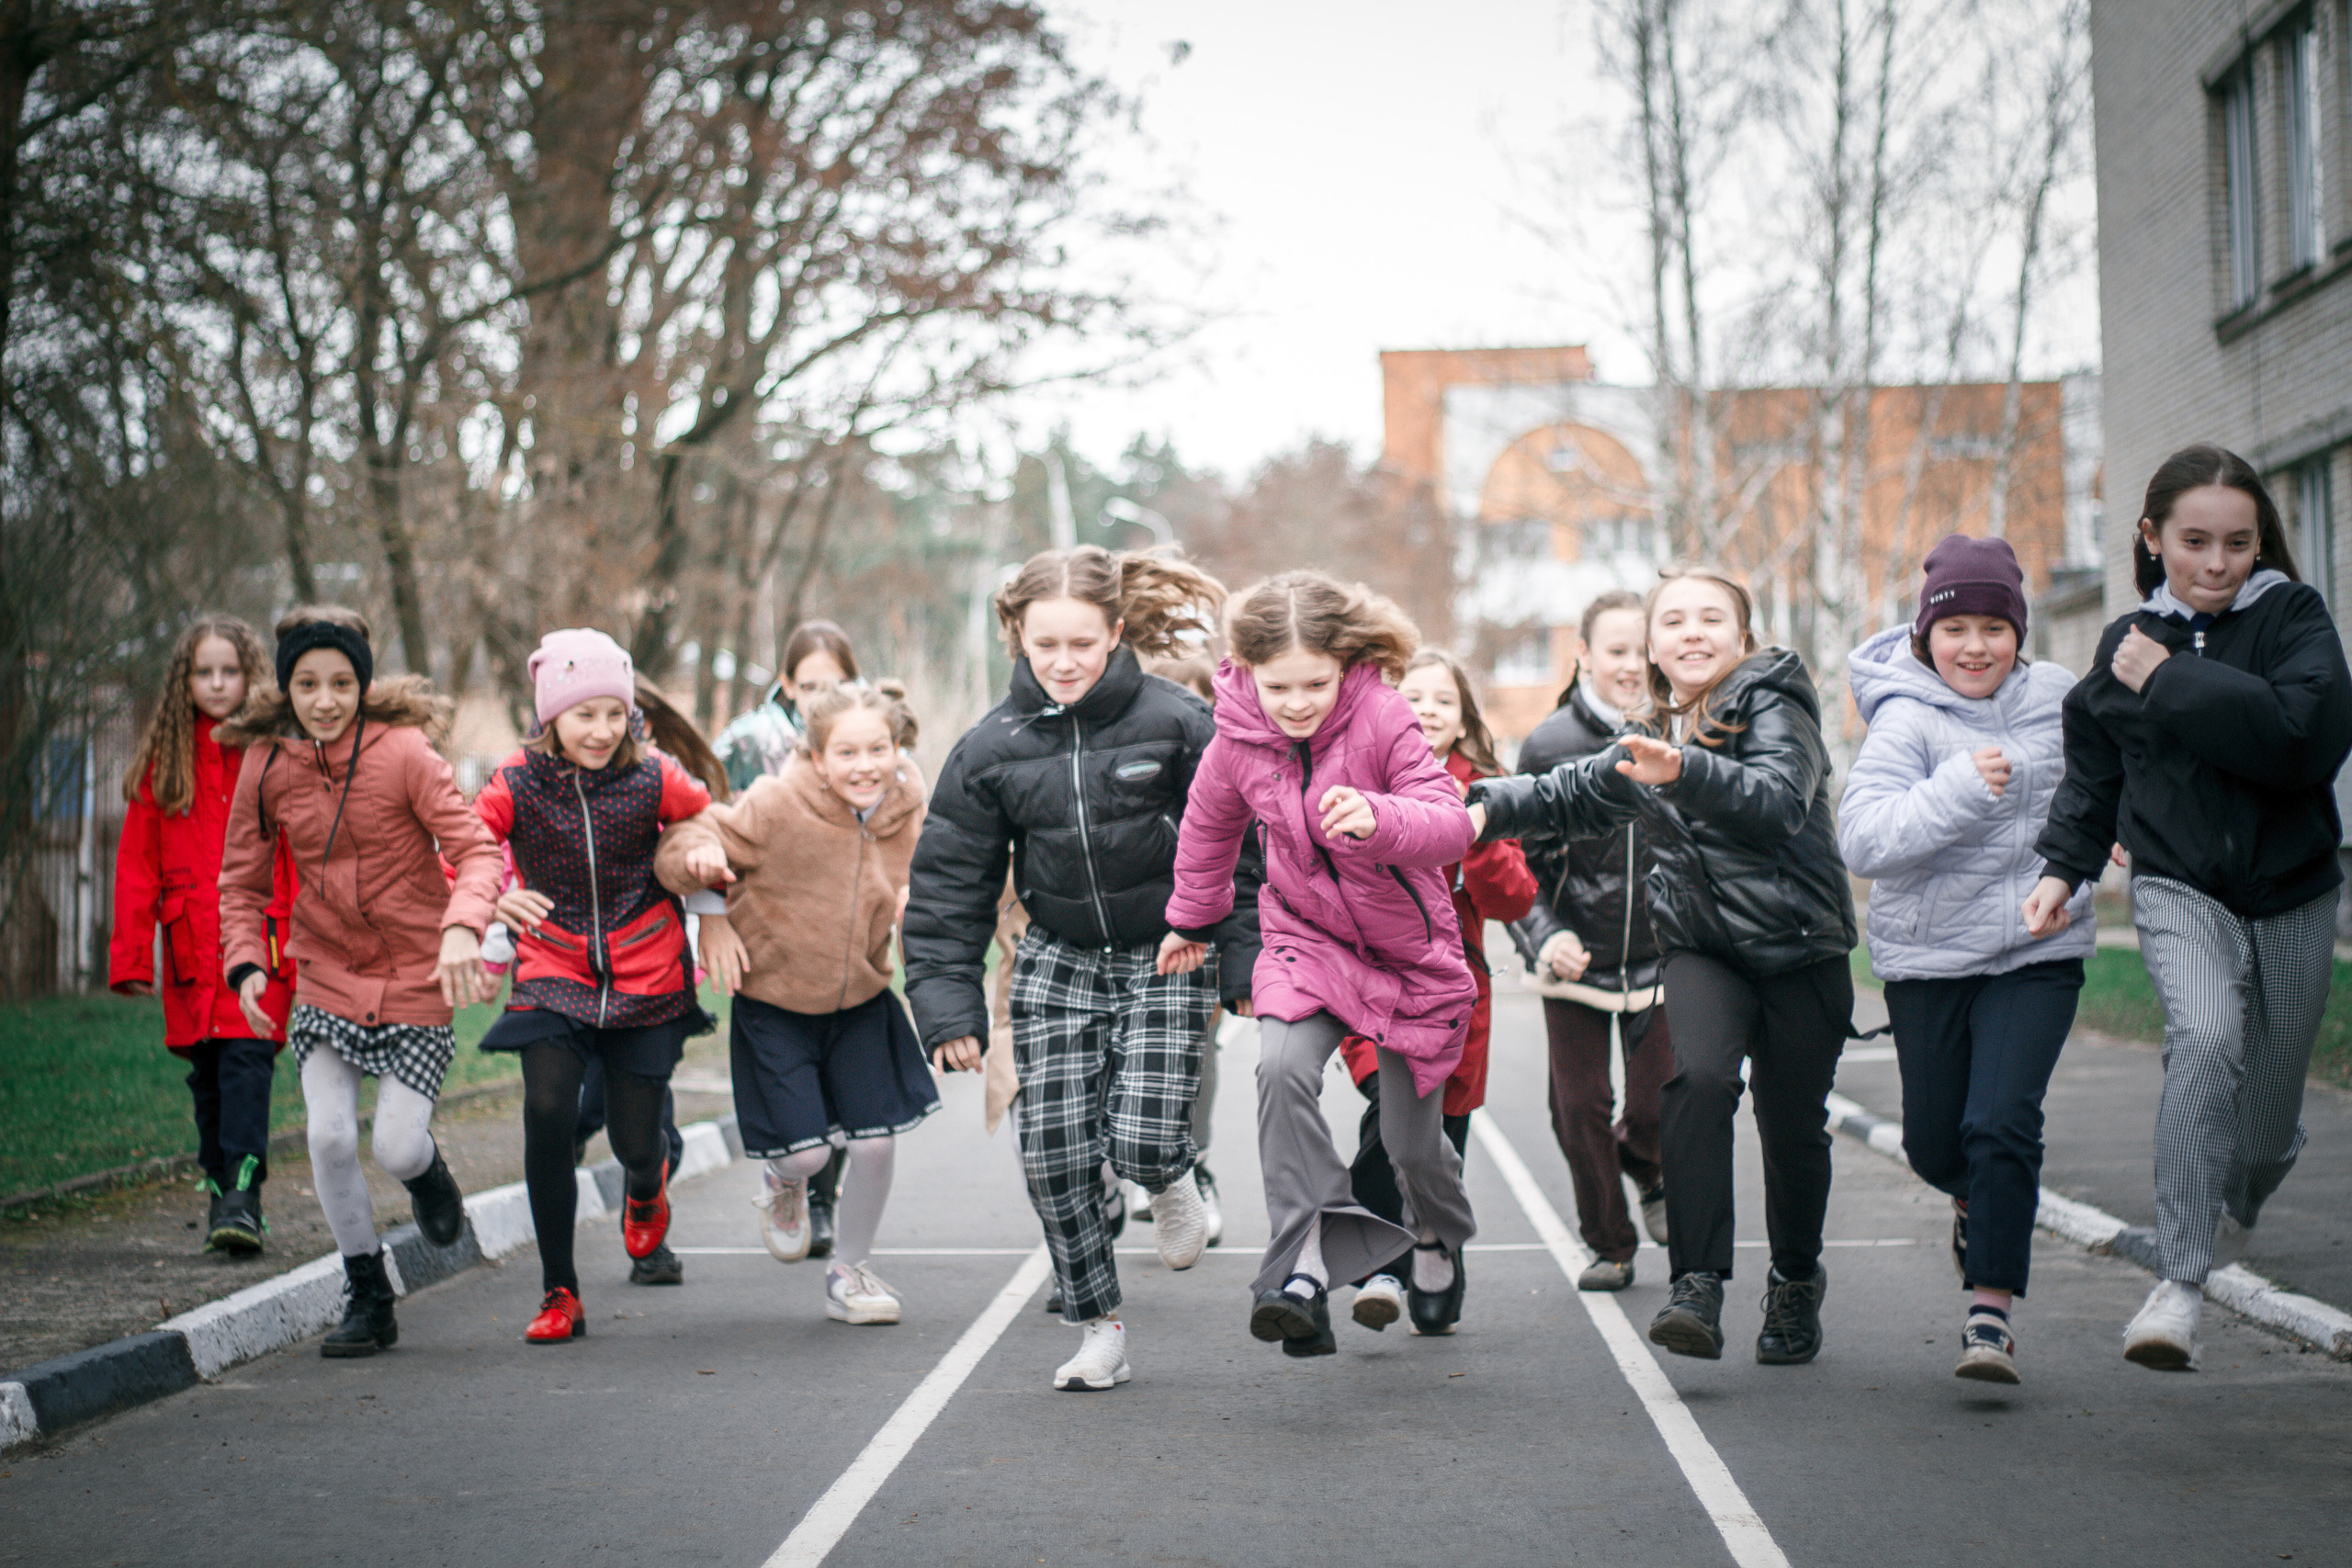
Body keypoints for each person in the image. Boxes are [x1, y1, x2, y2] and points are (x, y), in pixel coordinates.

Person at [1470, 569, 1859, 1366]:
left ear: (1742, 637)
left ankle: (1793, 1279)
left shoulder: (1777, 700)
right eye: (1673, 619)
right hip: (1704, 949)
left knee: (1791, 1133)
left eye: (1711, 618)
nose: (1691, 631)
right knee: (1698, 1082)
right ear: (1651, 644)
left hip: (1798, 950)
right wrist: (1475, 808)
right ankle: (1697, 1285)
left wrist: (1682, 770)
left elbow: (1779, 799)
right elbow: (1564, 793)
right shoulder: (1651, 732)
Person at [2029, 445, 2352, 1371]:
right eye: (2195, 542)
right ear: (2151, 537)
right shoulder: (2124, 638)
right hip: (2175, 886)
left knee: (2263, 1117)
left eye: (2238, 543)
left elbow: (2303, 741)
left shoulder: (2290, 615)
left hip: (2291, 890)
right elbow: (2094, 771)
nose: (2216, 565)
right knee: (2205, 1040)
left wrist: (2166, 679)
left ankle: (2252, 1166)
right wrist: (2064, 869)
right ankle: (2176, 1283)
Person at [904, 545, 1252, 1392]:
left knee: (1137, 1134)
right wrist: (947, 1002)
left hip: (1170, 947)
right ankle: (1097, 1324)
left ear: (1117, 634)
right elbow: (951, 879)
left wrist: (1240, 952)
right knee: (1052, 1153)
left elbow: (1246, 842)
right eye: (1044, 644)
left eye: (1082, 644)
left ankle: (1167, 1172)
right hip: (1055, 956)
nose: (1063, 662)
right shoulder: (989, 747)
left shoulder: (1177, 722)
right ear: (1017, 637)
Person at [1164, 571, 1480, 1359]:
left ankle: (1435, 1233)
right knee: (1277, 1067)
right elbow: (1207, 831)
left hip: (1408, 954)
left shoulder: (1381, 715)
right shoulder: (1236, 735)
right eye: (1279, 686)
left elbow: (1448, 823)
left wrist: (1380, 818)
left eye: (1315, 683)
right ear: (1245, 670)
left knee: (1411, 1145)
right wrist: (1191, 922)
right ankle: (1304, 1257)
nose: (1297, 702)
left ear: (1345, 664)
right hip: (1305, 942)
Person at [1841, 535, 2094, 1384]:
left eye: (1995, 626)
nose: (1977, 646)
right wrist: (1955, 788)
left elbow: (2108, 780)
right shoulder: (1905, 716)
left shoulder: (2060, 697)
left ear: (2019, 631)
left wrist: (2116, 831)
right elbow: (1865, 838)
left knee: (2002, 1123)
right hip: (1930, 958)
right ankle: (1966, 1196)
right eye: (1958, 629)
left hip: (2038, 946)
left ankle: (1990, 1313)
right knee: (1935, 1143)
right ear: (1926, 636)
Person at [217, 606, 503, 1359]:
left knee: (398, 1146)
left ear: (362, 683)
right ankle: (369, 1293)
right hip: (327, 975)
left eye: (341, 682)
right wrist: (245, 961)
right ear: (287, 688)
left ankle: (430, 1178)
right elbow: (240, 882)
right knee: (329, 1135)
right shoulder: (266, 763)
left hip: (415, 972)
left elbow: (476, 851)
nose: (325, 699)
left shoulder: (404, 752)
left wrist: (461, 927)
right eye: (307, 683)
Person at [472, 630, 721, 1344]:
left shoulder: (654, 775)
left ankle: (646, 1190)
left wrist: (702, 865)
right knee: (547, 1107)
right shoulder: (516, 779)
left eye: (615, 713)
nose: (603, 730)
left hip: (646, 970)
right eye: (585, 715)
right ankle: (560, 1291)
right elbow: (463, 840)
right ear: (552, 714)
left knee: (635, 1140)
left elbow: (704, 816)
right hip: (553, 963)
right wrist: (489, 899)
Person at [660, 682, 934, 1325]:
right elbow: (690, 836)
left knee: (873, 1146)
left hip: (862, 996)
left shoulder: (906, 811)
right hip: (776, 998)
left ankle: (851, 1271)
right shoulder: (776, 805)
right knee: (809, 1154)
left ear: (898, 749)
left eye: (879, 749)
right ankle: (784, 1181)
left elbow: (941, 876)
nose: (865, 765)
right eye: (847, 752)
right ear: (816, 757)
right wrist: (693, 858)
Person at [1339, 649, 1534, 1330]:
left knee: (1444, 1124)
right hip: (1370, 985)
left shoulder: (1485, 788)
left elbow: (1514, 897)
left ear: (1464, 719)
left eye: (1443, 701)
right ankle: (1383, 1265)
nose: (1426, 711)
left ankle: (1434, 1240)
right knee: (1386, 1115)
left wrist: (1470, 827)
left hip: (1456, 996)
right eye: (1412, 696)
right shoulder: (1353, 778)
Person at [110, 615, 299, 1255]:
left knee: (248, 1063)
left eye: (229, 670)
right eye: (204, 671)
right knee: (210, 1076)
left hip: (262, 946)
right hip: (191, 946)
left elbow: (299, 849)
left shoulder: (272, 751)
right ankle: (222, 1188)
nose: (218, 683)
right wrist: (132, 955)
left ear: (249, 675)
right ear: (184, 680)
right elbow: (137, 865)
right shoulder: (165, 764)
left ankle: (244, 1195)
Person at [1508, 590, 1675, 1292]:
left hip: (1664, 957)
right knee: (1577, 1108)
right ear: (1582, 655)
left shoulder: (1682, 734)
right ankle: (1609, 1243)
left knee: (1657, 1104)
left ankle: (1647, 1162)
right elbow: (1519, 863)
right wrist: (1546, 935)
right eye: (1616, 650)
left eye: (1642, 650)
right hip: (1575, 957)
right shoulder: (1549, 744)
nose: (1631, 665)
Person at [712, 620, 859, 1254]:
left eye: (836, 682)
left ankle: (823, 1202)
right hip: (768, 926)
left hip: (846, 930)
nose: (822, 695)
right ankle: (792, 1178)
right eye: (809, 684)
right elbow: (702, 815)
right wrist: (711, 913)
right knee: (794, 1077)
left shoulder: (864, 735)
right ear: (785, 683)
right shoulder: (746, 741)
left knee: (848, 1092)